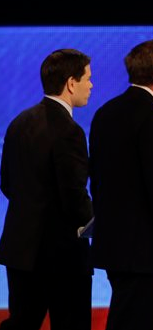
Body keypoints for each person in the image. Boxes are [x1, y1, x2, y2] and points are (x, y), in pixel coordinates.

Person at [89, 40, 153, 330]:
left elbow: (97, 180)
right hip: (143, 250)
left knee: (126, 318)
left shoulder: (104, 113)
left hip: (113, 245)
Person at [0, 49, 94, 330]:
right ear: (71, 83)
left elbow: (6, 182)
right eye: (88, 78)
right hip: (61, 255)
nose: (91, 85)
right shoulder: (69, 130)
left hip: (20, 250)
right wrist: (95, 223)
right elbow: (74, 196)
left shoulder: (19, 122)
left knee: (22, 323)